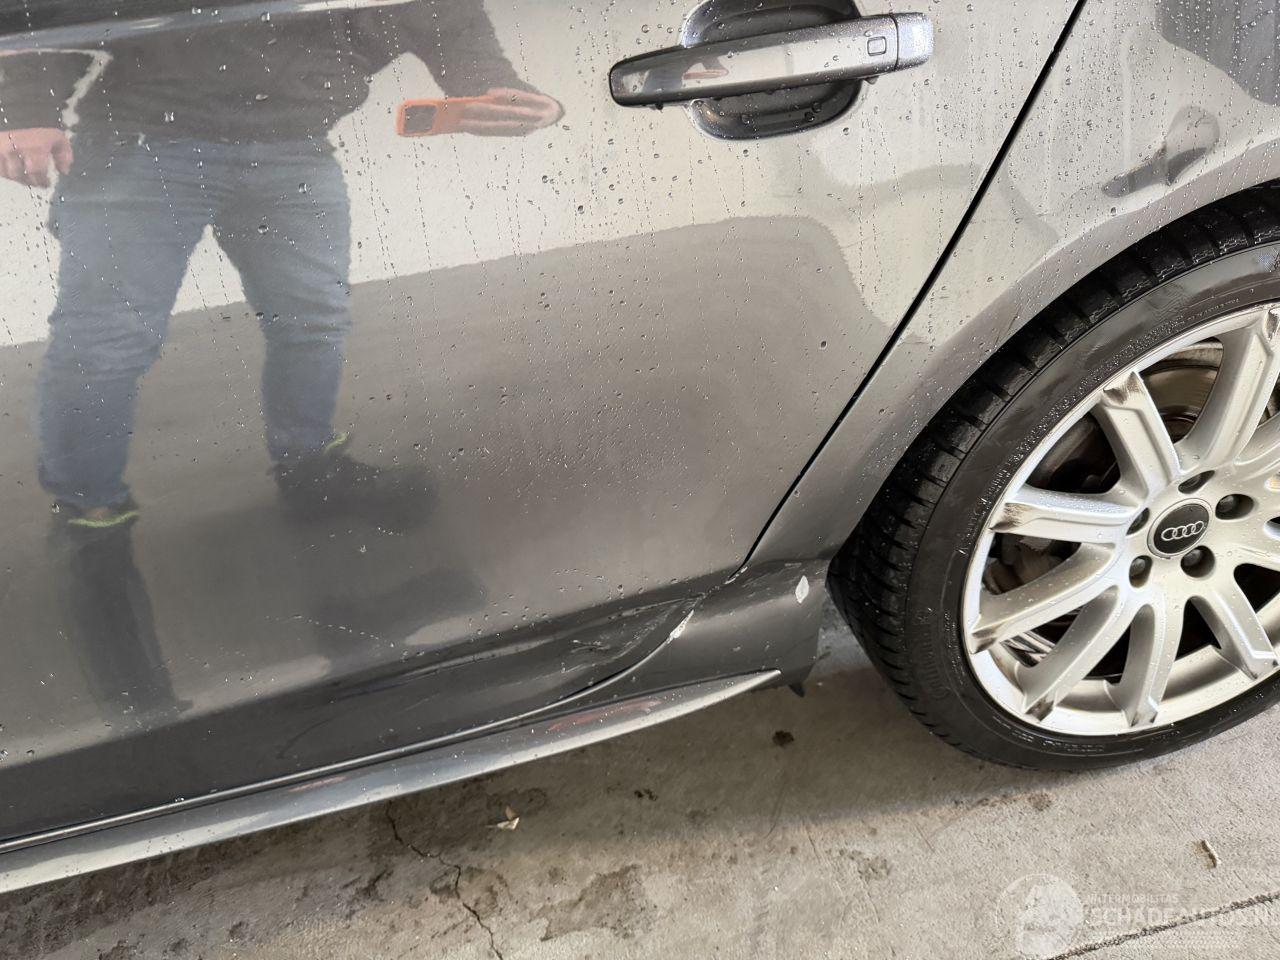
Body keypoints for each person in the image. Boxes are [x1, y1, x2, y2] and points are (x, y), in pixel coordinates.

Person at [0, 0, 561, 530]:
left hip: (295, 146)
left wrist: (526, 103)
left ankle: (309, 468)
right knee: (106, 342)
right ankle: (89, 509)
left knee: (314, 319)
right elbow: (48, 12)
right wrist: (24, 111)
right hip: (142, 140)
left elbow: (467, 50)